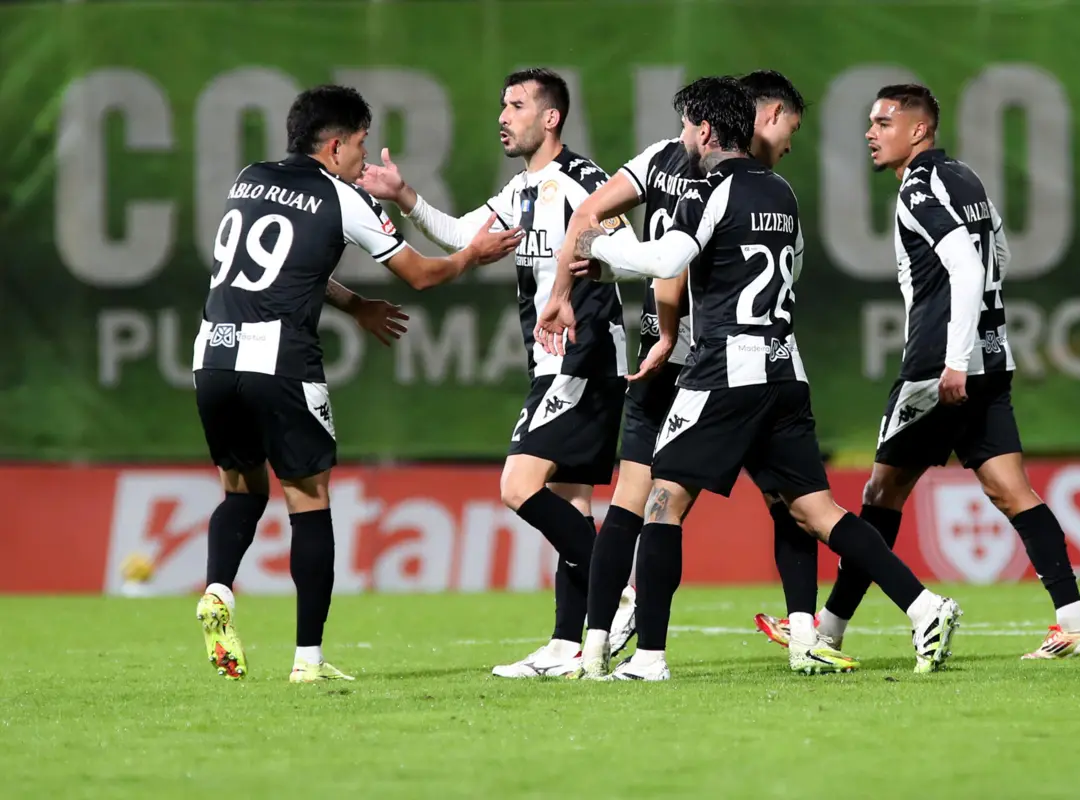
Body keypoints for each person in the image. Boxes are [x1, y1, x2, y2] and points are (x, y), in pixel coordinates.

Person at [561, 76, 963, 680]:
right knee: (817, 512)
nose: (683, 139)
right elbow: (782, 269)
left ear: (705, 129)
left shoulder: (710, 186)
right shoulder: (781, 190)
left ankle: (648, 658)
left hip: (726, 367)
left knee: (662, 504)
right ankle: (925, 605)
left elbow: (670, 260)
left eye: (688, 127)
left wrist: (606, 248)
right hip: (784, 368)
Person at [755, 84, 1080, 661]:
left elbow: (967, 267)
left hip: (939, 370)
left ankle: (831, 629)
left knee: (879, 493)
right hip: (991, 358)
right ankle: (1074, 620)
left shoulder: (919, 187)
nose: (871, 132)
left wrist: (952, 357)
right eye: (870, 122)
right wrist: (976, 340)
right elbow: (999, 255)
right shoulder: (964, 177)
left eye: (883, 122)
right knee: (1010, 489)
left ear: (918, 130)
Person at [192, 84, 522, 682]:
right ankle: (308, 662)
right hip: (280, 359)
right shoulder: (341, 198)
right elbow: (421, 275)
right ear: (337, 144)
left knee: (240, 491)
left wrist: (354, 305)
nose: (363, 157)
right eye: (362, 143)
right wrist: (472, 254)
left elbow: (284, 267)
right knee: (309, 502)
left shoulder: (248, 177)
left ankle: (217, 589)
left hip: (213, 354)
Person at [536, 71, 849, 676]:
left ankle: (602, 641)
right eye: (787, 126)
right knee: (766, 500)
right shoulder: (732, 178)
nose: (787, 140)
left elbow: (594, 221)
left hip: (694, 355)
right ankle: (614, 638)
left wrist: (571, 290)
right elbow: (647, 252)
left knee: (649, 502)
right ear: (760, 116)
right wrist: (570, 294)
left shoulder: (671, 164)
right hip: (709, 358)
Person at [356, 69, 637, 678]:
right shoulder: (523, 188)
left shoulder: (583, 180)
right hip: (553, 360)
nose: (503, 117)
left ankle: (618, 596)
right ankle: (568, 645)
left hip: (584, 355)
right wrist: (404, 197)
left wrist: (593, 261)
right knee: (569, 501)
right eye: (502, 105)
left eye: (515, 106)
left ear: (551, 117)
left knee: (518, 485)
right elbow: (463, 235)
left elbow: (632, 250)